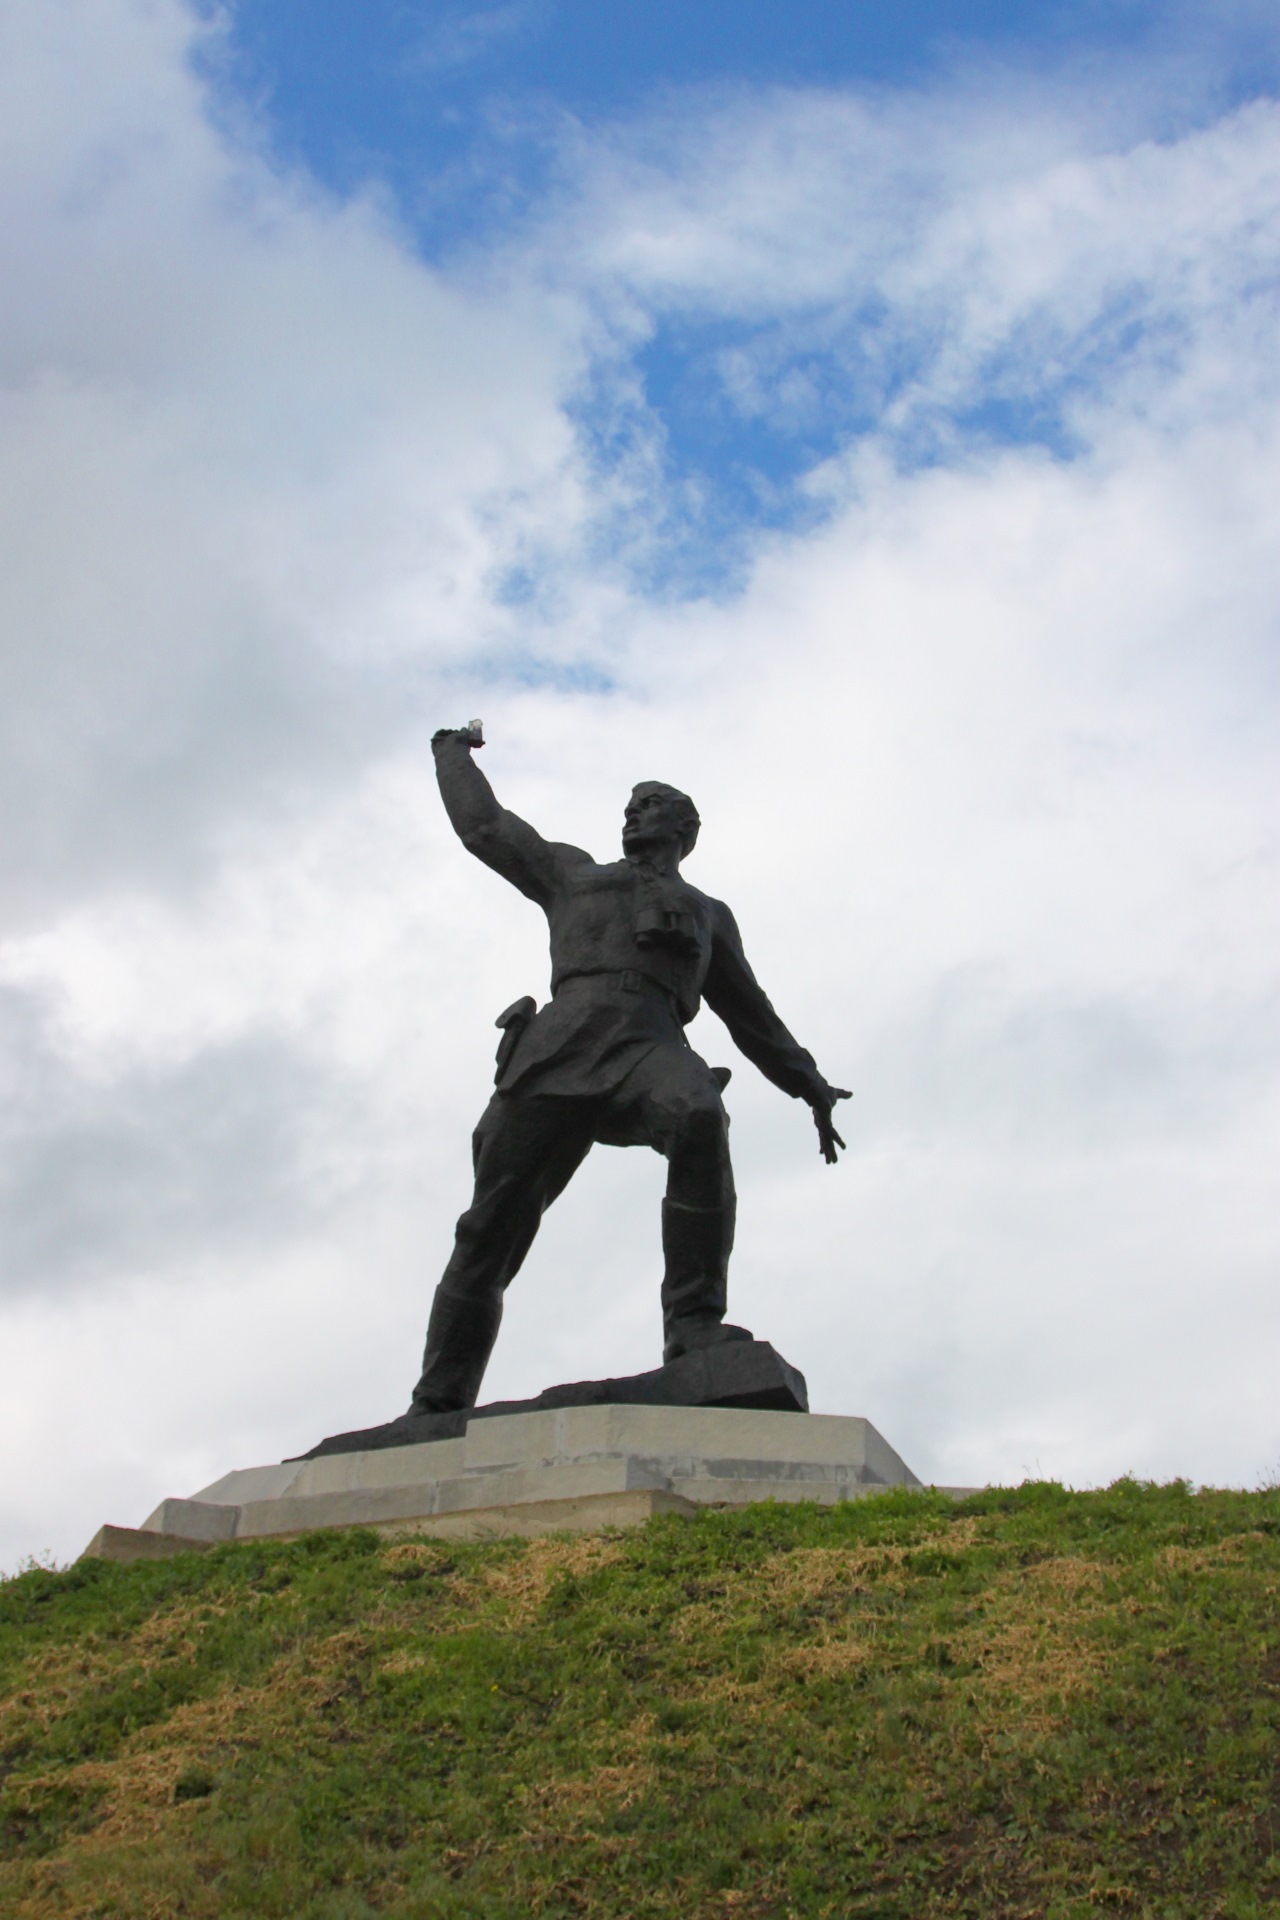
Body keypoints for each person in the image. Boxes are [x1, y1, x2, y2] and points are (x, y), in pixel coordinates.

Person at [409, 723, 851, 1413]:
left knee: (700, 1114)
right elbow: (486, 828)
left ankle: (694, 1326)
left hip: (650, 1043)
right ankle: (438, 1399)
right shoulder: (573, 875)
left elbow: (751, 1017)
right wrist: (450, 753)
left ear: (686, 829)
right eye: (629, 807)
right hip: (559, 1047)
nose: (632, 815)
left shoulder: (707, 915)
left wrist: (809, 1084)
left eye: (650, 806)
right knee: (488, 1229)